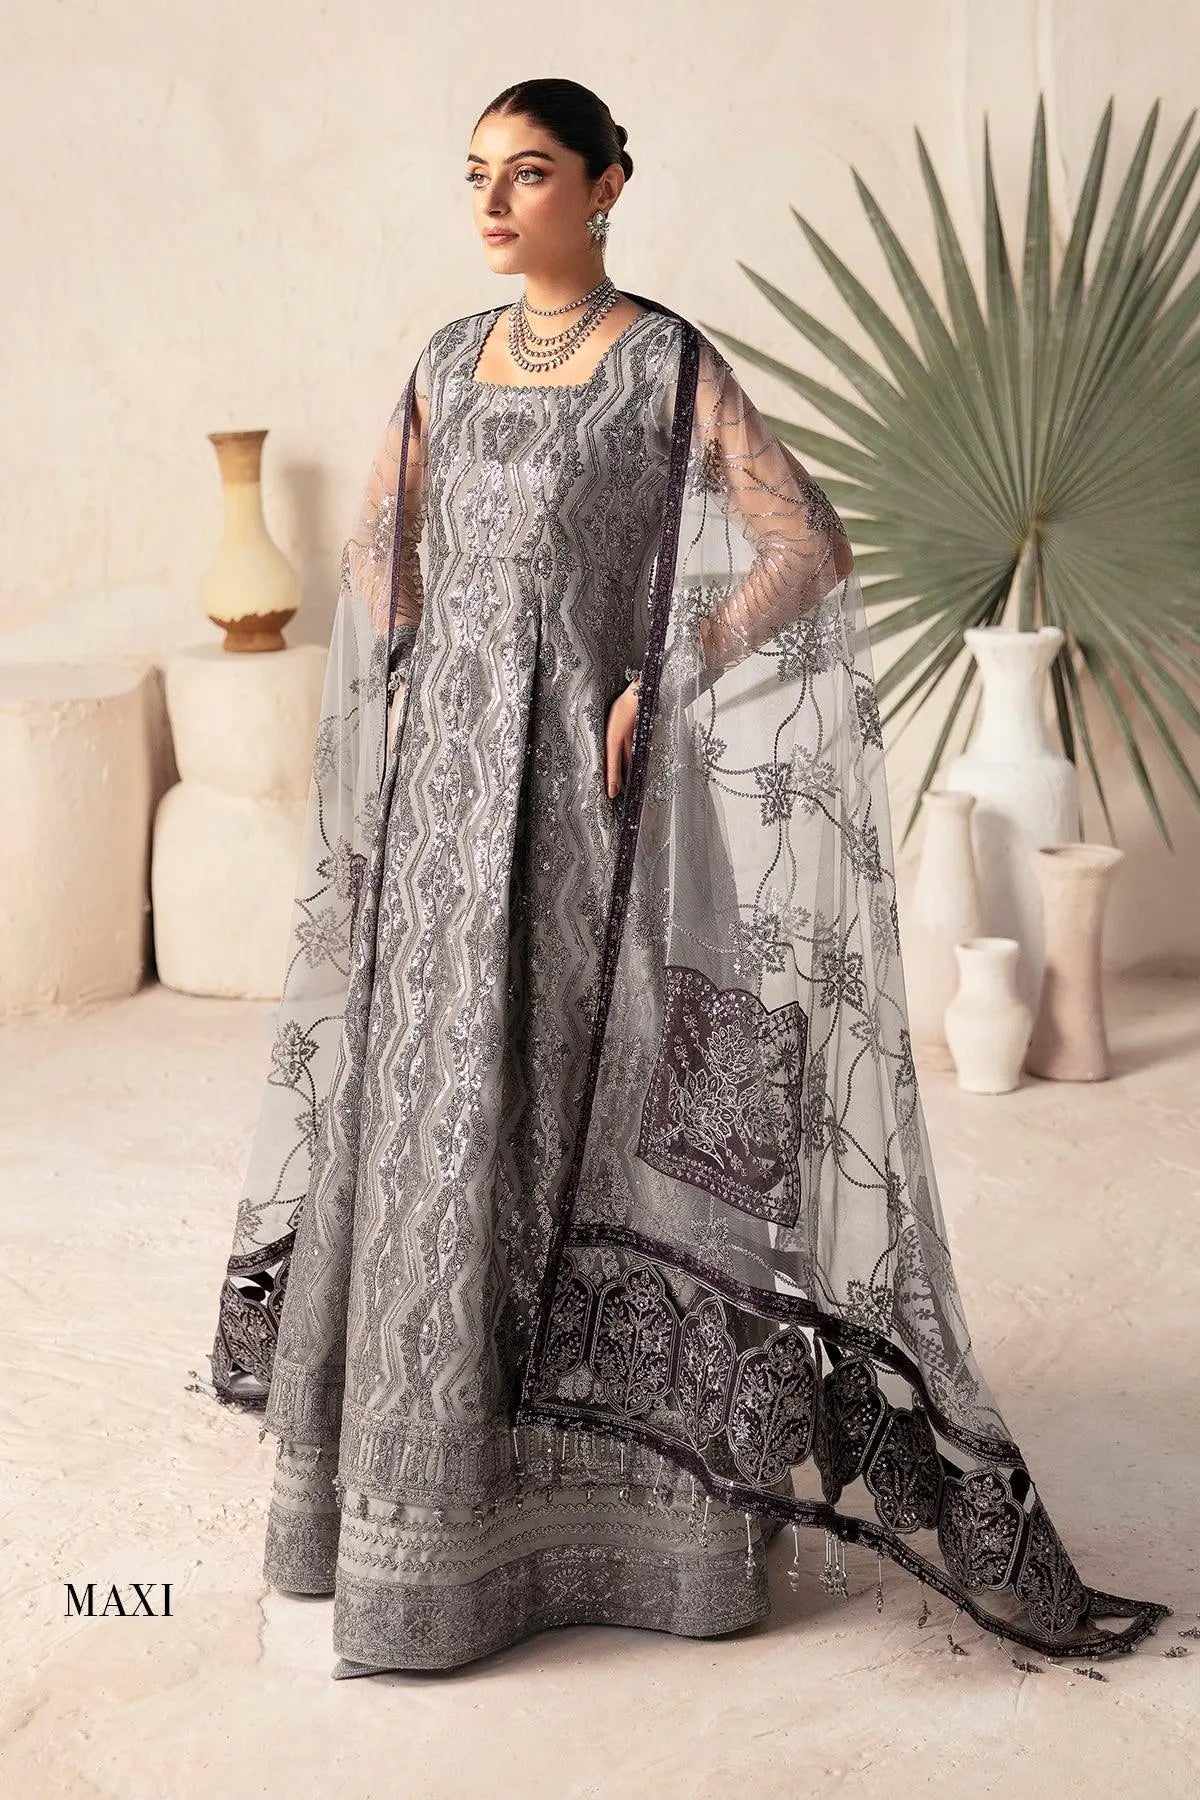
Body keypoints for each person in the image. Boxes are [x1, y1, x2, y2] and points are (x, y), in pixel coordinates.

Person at [207, 77, 1168, 1676]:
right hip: (448, 815)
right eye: (476, 175)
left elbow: (806, 545)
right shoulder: (444, 361)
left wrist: (668, 668)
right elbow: (382, 548)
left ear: (607, 186)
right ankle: (428, 1515)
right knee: (442, 1118)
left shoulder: (665, 365)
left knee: (611, 1108)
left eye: (528, 174)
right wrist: (424, 677)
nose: (493, 203)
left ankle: (647, 1529)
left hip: (604, 816)